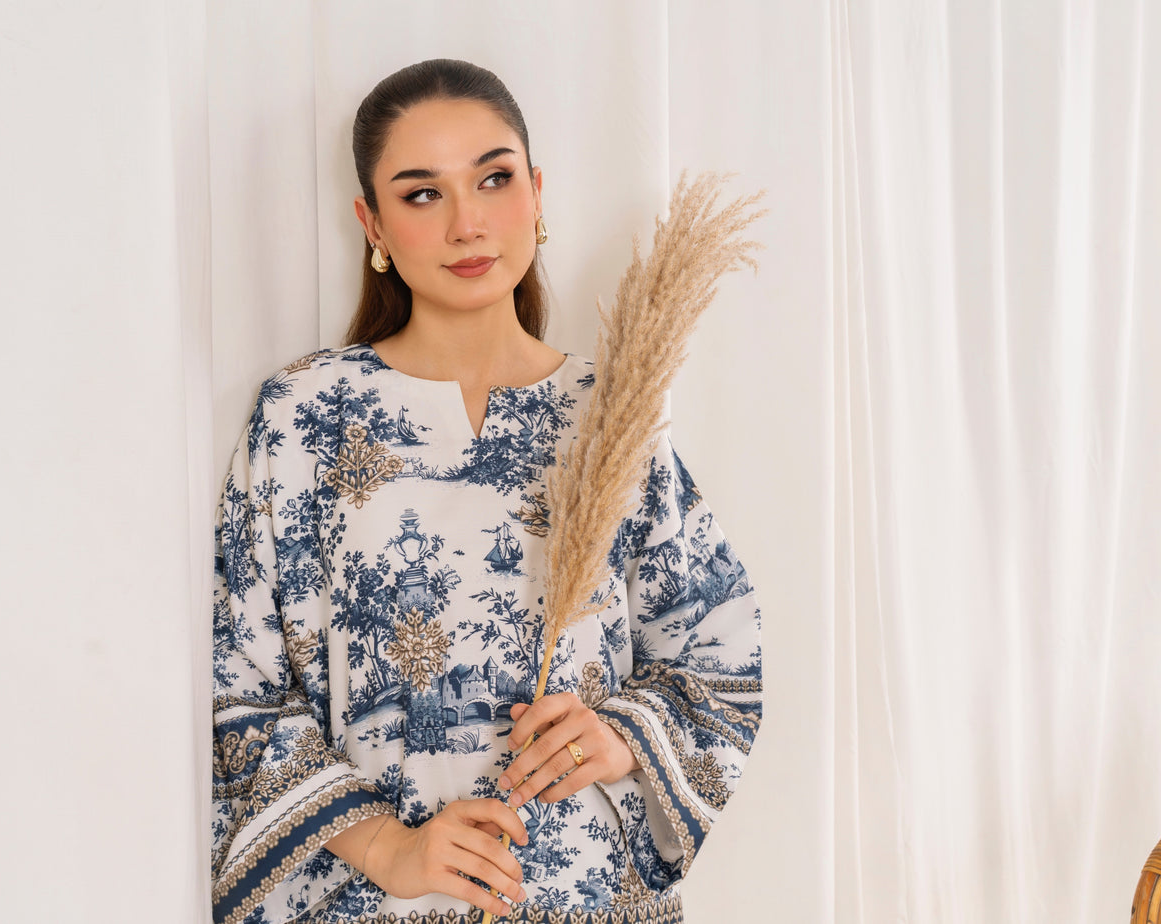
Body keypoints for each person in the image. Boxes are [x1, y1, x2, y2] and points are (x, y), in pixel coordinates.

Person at [210, 59, 762, 924]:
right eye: (422, 194)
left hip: (583, 895)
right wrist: (388, 848)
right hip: (373, 904)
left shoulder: (610, 411)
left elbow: (718, 655)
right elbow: (236, 682)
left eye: (494, 179)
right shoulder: (303, 414)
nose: (466, 222)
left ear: (536, 193)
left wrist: (621, 736)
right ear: (372, 223)